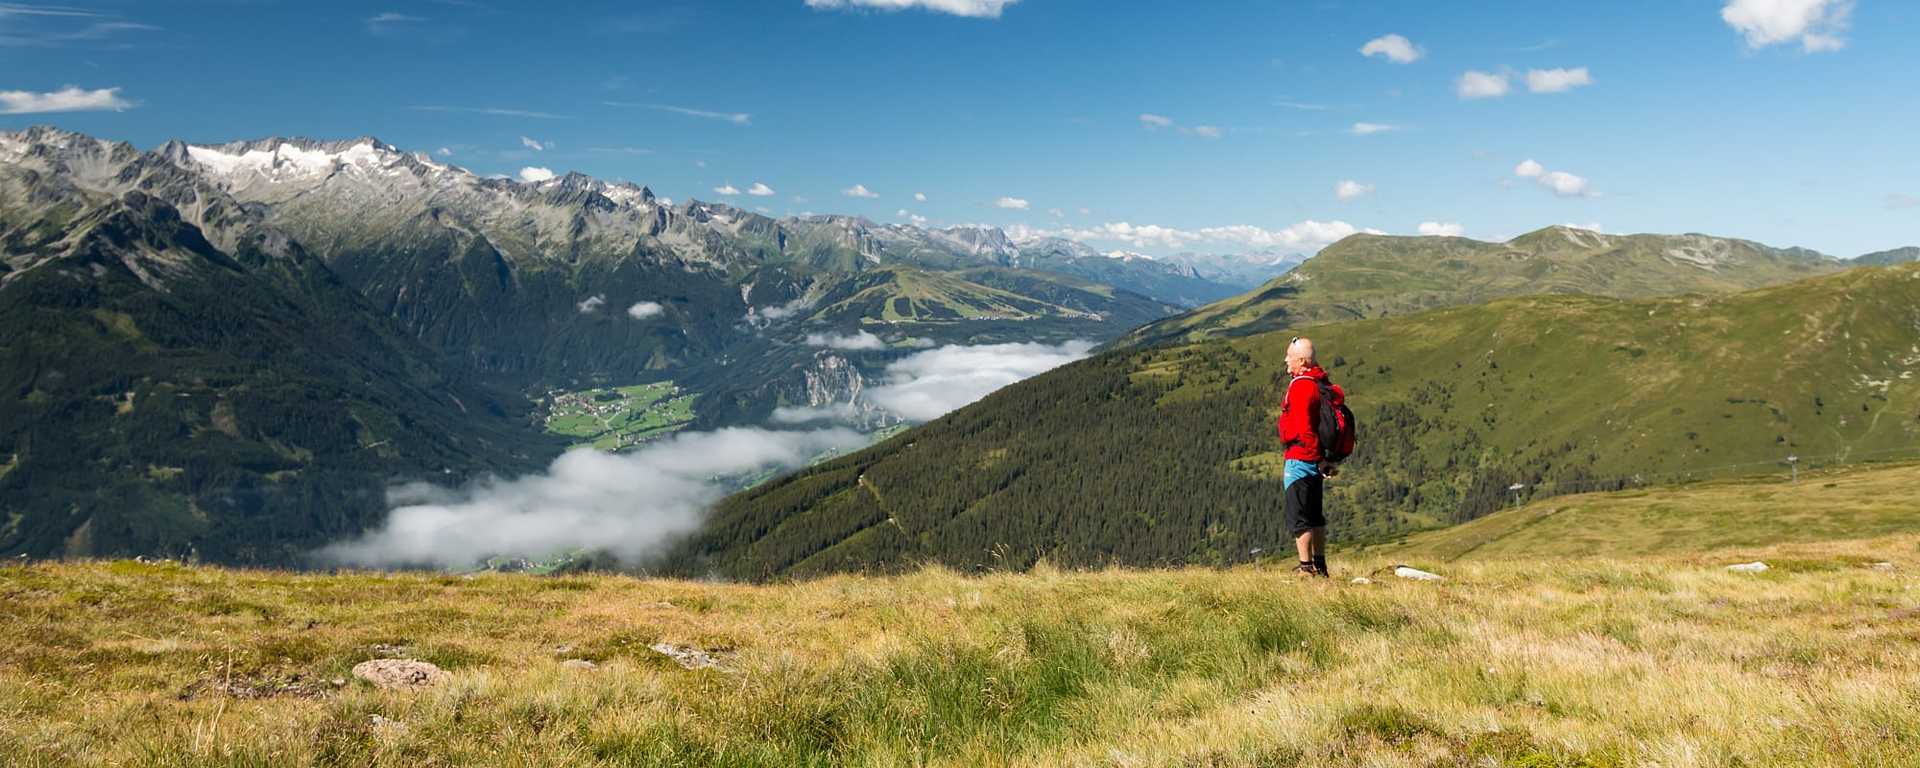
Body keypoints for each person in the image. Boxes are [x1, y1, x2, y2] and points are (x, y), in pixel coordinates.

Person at [1277, 336, 1338, 577]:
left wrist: (1317, 459)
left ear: (1301, 361)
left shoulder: (1301, 386)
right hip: (1314, 460)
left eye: (1289, 357)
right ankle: (1320, 566)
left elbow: (1304, 428)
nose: (1285, 360)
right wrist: (1322, 459)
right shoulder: (1319, 383)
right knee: (1315, 516)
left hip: (1301, 460)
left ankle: (1306, 569)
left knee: (1300, 518)